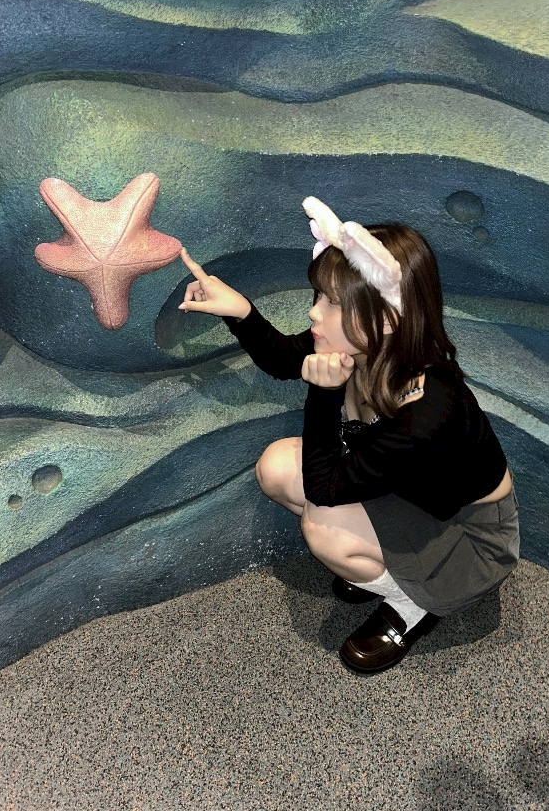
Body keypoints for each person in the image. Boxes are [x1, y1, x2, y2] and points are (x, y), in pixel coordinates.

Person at [177, 197, 520, 674]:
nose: (314, 314)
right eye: (318, 297)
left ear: (387, 318)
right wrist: (239, 310)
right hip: (412, 497)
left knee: (323, 529)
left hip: (470, 538)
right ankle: (393, 565)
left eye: (332, 303)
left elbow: (323, 488)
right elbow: (284, 358)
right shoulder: (366, 349)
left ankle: (414, 603)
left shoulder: (429, 412)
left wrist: (324, 396)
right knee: (276, 468)